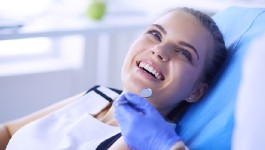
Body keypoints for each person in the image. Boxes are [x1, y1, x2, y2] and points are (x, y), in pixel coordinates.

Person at [0, 7, 227, 150]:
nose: (159, 50)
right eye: (155, 34)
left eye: (184, 53)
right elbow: (9, 132)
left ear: (196, 91)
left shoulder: (143, 141)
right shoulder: (97, 95)